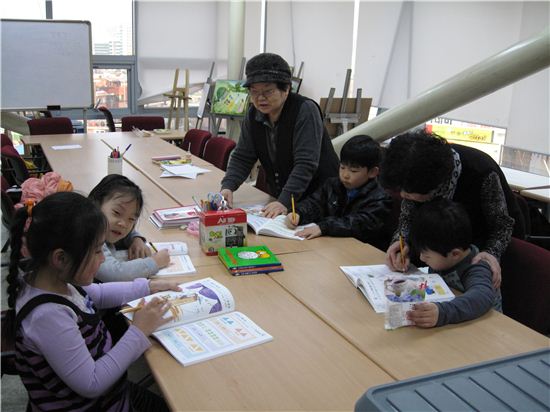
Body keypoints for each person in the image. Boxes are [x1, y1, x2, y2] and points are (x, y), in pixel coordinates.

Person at [7, 191, 180, 411]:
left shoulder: (55, 278)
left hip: (112, 392)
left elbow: (97, 294)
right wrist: (138, 331)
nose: (102, 260)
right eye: (98, 251)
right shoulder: (47, 315)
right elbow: (92, 382)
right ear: (60, 258)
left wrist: (148, 286)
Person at [380, 130, 525, 288]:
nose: (402, 195)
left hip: (478, 251)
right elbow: (407, 217)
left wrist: (491, 253)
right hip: (440, 254)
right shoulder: (414, 174)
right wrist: (400, 242)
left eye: (407, 192)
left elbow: (501, 225)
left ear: (434, 185)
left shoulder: (480, 172)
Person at [220, 52, 339, 218]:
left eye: (268, 91)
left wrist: (284, 201)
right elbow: (243, 155)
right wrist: (228, 186)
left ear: (286, 89)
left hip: (320, 199)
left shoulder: (304, 110)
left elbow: (305, 163)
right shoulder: (254, 114)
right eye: (254, 92)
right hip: (285, 201)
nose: (260, 98)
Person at [406, 199, 501, 328]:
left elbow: (481, 297)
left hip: (484, 327)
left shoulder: (477, 267)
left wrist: (442, 312)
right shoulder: (443, 256)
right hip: (456, 323)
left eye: (427, 255)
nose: (422, 258)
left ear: (455, 254)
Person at [285, 135, 392, 248]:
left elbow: (358, 225)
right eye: (342, 167)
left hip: (358, 252)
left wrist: (324, 227)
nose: (345, 175)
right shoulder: (333, 185)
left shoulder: (380, 199)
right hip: (330, 246)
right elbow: (314, 203)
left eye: (353, 170)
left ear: (372, 172)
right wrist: (298, 213)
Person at [88, 174, 170, 281]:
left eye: (131, 219)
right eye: (117, 213)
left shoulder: (105, 226)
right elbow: (114, 274)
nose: (123, 224)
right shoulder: (90, 234)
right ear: (96, 204)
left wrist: (136, 239)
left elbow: (128, 230)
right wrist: (154, 262)